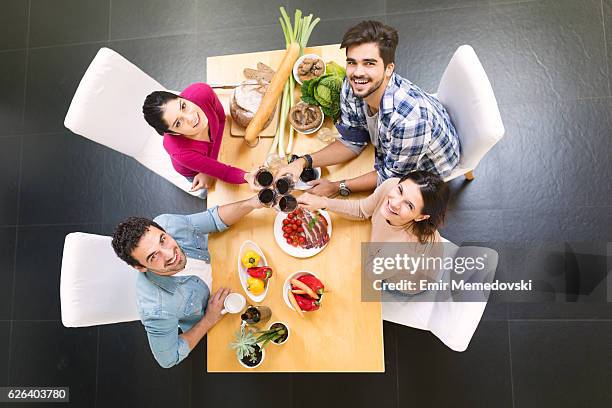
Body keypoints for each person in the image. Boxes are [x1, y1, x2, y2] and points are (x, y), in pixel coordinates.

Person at [278, 21, 460, 197]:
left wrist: (336, 187)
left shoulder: (409, 121)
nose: (357, 72)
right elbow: (352, 141)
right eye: (352, 62)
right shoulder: (353, 85)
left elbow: (390, 179)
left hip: (429, 167)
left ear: (389, 69)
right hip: (390, 149)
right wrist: (302, 162)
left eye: (369, 63)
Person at [111, 196, 262, 368]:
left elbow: (212, 219)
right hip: (219, 316)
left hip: (229, 266)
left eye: (163, 240)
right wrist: (208, 320)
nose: (169, 254)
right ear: (140, 267)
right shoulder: (157, 310)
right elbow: (168, 359)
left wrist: (252, 203)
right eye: (154, 256)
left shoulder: (167, 223)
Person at [298, 170, 449, 294]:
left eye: (409, 205)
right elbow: (362, 210)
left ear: (421, 217)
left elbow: (369, 275)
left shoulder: (400, 251)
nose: (395, 203)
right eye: (400, 190)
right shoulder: (391, 184)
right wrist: (324, 203)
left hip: (409, 282)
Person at [143, 83, 255, 192]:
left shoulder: (202, 92)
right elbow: (225, 172)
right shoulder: (182, 153)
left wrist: (209, 170)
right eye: (178, 123)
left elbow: (221, 120)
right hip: (192, 170)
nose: (191, 118)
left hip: (205, 161)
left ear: (182, 98)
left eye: (183, 106)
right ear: (173, 133)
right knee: (206, 189)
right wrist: (247, 177)